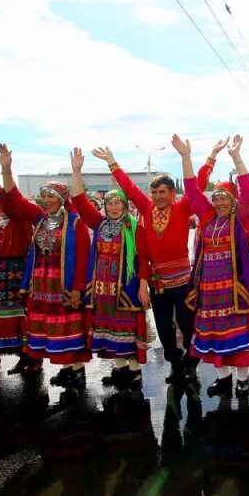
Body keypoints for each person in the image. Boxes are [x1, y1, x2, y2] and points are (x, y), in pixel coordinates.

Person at [92, 146, 198, 384]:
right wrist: (112, 161)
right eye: (154, 192)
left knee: (187, 323)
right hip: (158, 281)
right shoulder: (146, 208)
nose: (158, 196)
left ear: (172, 193)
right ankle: (174, 362)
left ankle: (191, 362)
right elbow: (128, 187)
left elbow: (193, 185)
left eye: (162, 191)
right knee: (163, 327)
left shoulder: (182, 208)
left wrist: (186, 157)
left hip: (182, 280)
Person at [0, 145, 92, 387]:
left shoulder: (76, 223)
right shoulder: (39, 218)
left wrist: (78, 287)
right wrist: (6, 169)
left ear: (62, 199)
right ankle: (67, 368)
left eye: (51, 197)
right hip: (42, 283)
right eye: (43, 196)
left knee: (70, 327)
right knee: (53, 329)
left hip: (64, 284)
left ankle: (76, 370)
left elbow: (84, 258)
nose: (46, 201)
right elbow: (14, 199)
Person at [177, 134, 249, 398]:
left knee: (236, 334)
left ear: (233, 199)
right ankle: (223, 378)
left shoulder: (241, 218)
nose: (219, 202)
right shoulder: (207, 217)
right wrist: (187, 157)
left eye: (224, 197)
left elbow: (248, 191)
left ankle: (243, 380)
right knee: (214, 334)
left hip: (235, 288)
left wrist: (236, 157)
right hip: (209, 289)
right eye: (215, 198)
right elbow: (192, 190)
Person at [69, 148, 151, 389]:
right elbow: (79, 201)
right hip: (103, 288)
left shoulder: (135, 227)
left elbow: (144, 259)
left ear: (125, 205)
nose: (113, 207)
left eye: (118, 203)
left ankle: (135, 373)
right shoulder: (99, 222)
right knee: (110, 330)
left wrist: (144, 286)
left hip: (127, 287)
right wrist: (76, 170)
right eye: (109, 203)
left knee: (128, 330)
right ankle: (120, 370)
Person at [0, 159, 37, 375]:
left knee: (22, 318)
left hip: (18, 272)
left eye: (0, 203)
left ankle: (32, 359)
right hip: (1, 274)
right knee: (6, 318)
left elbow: (9, 202)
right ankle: (21, 358)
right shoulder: (0, 224)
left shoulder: (19, 220)